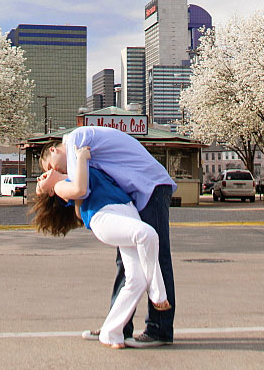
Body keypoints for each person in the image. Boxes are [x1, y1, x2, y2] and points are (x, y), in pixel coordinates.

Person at [37, 126, 176, 347]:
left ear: (54, 150)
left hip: (149, 187)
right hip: (131, 197)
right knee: (128, 263)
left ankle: (159, 329)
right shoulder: (78, 158)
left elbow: (80, 190)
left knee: (155, 254)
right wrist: (50, 185)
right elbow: (79, 200)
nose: (56, 170)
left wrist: (50, 183)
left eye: (52, 166)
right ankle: (118, 325)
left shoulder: (75, 141)